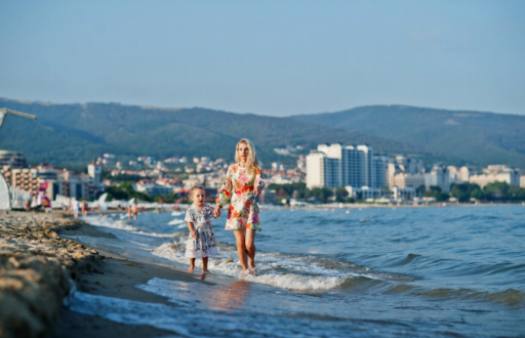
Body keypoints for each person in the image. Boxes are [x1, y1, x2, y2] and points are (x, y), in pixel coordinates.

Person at [214, 138, 264, 276]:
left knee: (249, 244)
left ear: (251, 151)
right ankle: (245, 270)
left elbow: (259, 184)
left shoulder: (256, 169)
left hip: (251, 208)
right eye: (240, 149)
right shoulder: (232, 168)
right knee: (240, 243)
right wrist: (218, 205)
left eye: (246, 149)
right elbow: (227, 188)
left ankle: (252, 261)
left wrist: (258, 188)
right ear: (237, 151)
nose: (243, 152)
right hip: (235, 208)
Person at [185, 186, 218, 280]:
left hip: (206, 234)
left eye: (203, 196)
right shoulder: (190, 209)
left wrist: (218, 210)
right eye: (198, 196)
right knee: (193, 251)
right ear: (192, 198)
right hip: (195, 233)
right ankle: (192, 265)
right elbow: (189, 221)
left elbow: (215, 215)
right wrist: (192, 231)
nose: (201, 198)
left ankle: (205, 268)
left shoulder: (207, 208)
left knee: (205, 252)